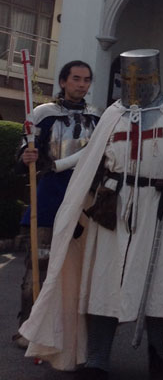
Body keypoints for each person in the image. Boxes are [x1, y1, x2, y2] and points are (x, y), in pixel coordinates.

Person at [19, 48, 163, 379]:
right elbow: (90, 158)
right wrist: (52, 165)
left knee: (161, 284)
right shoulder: (113, 114)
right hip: (113, 207)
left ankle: (158, 358)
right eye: (129, 77)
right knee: (103, 281)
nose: (135, 84)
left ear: (153, 75)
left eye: (141, 77)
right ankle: (98, 358)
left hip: (160, 205)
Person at [14, 60, 99, 345]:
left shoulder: (97, 117)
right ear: (63, 81)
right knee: (38, 268)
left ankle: (69, 330)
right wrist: (25, 156)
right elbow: (24, 152)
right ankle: (30, 329)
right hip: (49, 200)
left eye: (86, 79)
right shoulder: (43, 114)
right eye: (76, 78)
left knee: (78, 270)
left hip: (86, 203)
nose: (81, 84)